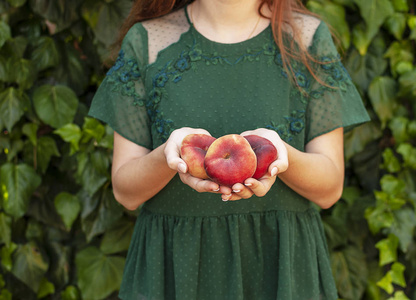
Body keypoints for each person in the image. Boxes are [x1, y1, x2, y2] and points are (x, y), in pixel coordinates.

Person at [88, 0, 370, 299]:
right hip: (176, 266)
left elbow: (329, 189)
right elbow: (125, 193)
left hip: (279, 266)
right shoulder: (148, 40)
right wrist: (167, 156)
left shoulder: (306, 37)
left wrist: (283, 157)